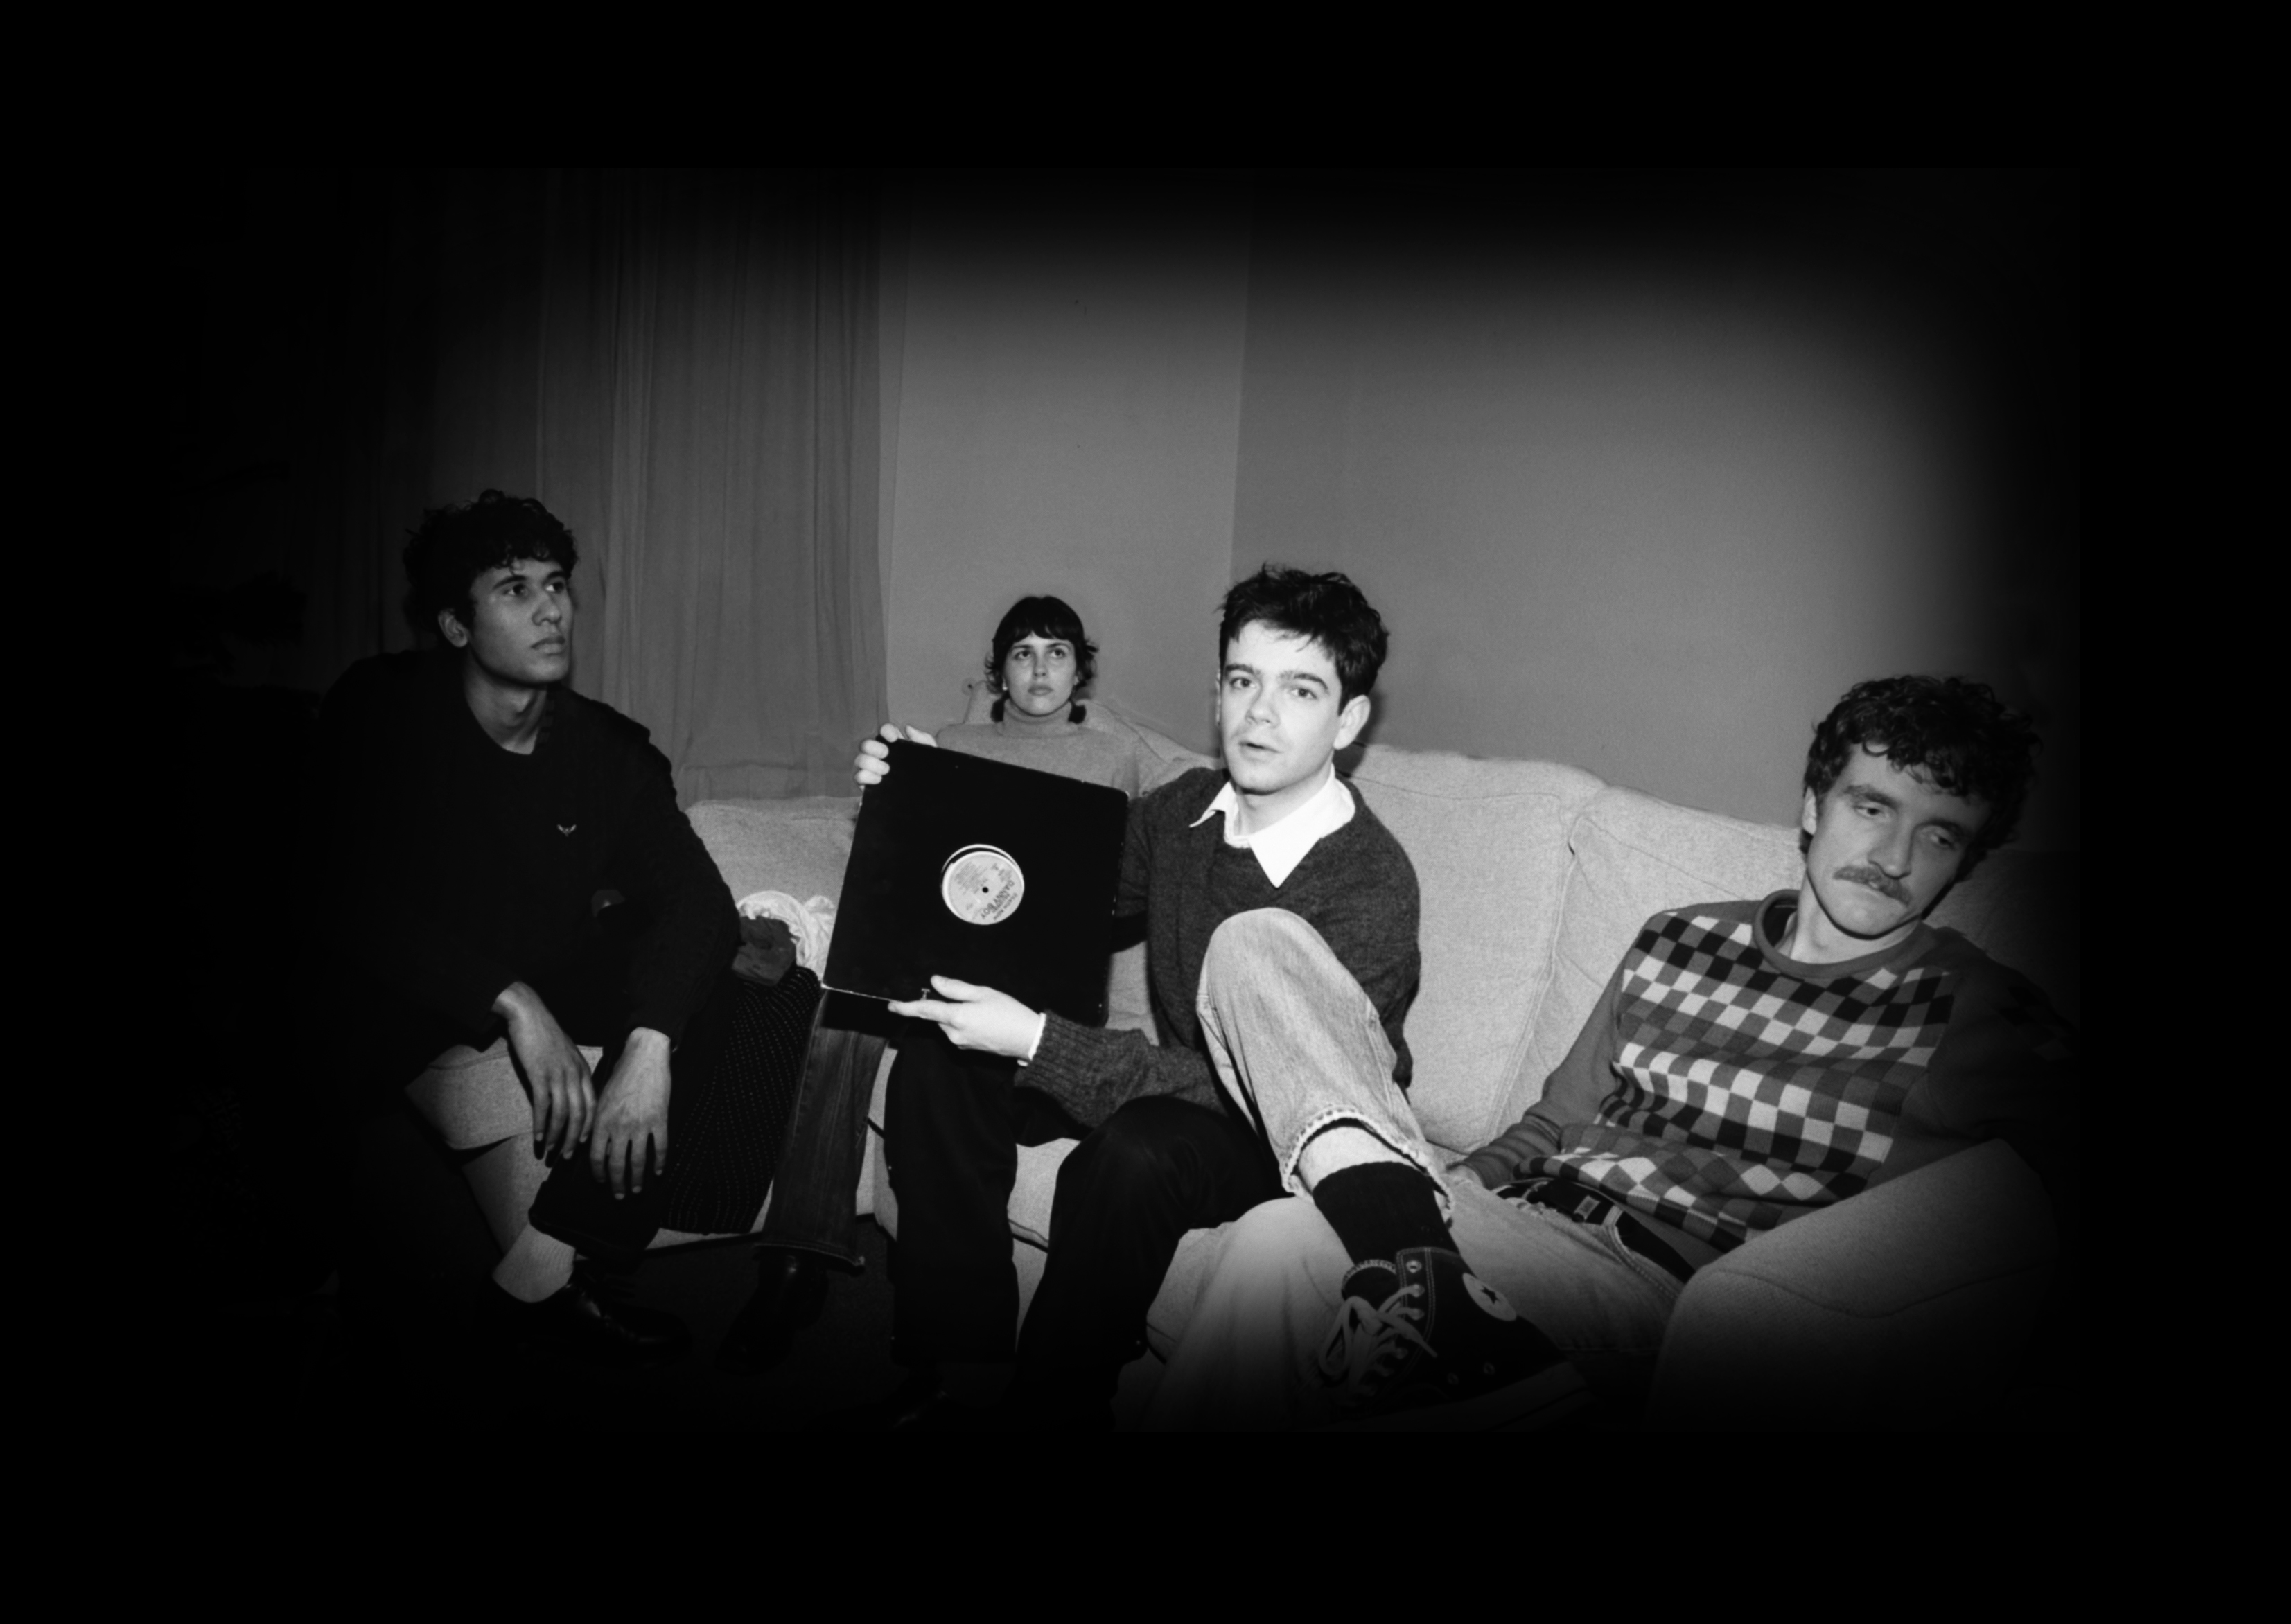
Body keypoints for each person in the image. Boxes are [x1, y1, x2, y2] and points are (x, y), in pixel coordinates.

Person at [1143, 674, 2080, 1428]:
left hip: (1651, 1281)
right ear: (1812, 805)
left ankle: (1427, 1282)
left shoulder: (1973, 1006)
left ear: (1965, 859)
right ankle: (1417, 1253)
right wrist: (1459, 1187)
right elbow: (1555, 1120)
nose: (1895, 855)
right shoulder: (1680, 936)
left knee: (1276, 1249)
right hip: (1513, 1215)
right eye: (1872, 808)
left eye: (1938, 835)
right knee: (1255, 953)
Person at [848, 565, 1459, 1429]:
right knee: (935, 1064)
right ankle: (961, 1364)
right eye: (1243, 681)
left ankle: (1053, 1406)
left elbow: (1261, 1093)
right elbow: (1051, 891)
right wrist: (922, 793)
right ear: (1219, 692)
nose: (1259, 713)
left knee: (1135, 1152)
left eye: (1300, 690)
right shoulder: (1183, 813)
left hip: (1281, 1134)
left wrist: (1040, 1042)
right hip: (1172, 1084)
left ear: (1349, 719)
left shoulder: (1370, 881)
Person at [319, 490, 820, 1367]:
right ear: (456, 624)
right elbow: (345, 896)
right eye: (515, 589)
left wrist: (652, 1041)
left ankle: (546, 1267)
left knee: (747, 972)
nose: (551, 608)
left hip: (547, 958)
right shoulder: (385, 712)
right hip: (412, 974)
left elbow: (698, 903)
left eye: (556, 585)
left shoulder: (607, 751)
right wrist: (512, 1002)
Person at [721, 593, 1172, 1369]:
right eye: (1023, 653)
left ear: (1080, 672)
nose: (1040, 669)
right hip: (930, 959)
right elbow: (905, 867)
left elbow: (1118, 879)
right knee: (837, 1014)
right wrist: (887, 791)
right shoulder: (954, 742)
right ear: (997, 672)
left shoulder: (1114, 759)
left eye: (1058, 653)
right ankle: (793, 1265)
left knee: (934, 1058)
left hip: (1031, 986)